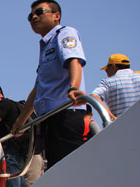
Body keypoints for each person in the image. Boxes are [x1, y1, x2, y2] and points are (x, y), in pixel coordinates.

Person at [12, 0, 87, 169]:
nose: (34, 17)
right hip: (49, 118)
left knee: (69, 169)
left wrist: (74, 88)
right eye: (30, 15)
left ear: (56, 16)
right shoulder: (45, 46)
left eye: (39, 12)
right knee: (56, 170)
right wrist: (20, 122)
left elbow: (74, 60)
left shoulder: (65, 33)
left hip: (66, 113)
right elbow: (38, 89)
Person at [90, 54, 140, 120]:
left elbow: (94, 96)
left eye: (107, 69)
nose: (106, 72)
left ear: (113, 67)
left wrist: (110, 116)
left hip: (123, 126)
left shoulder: (108, 82)